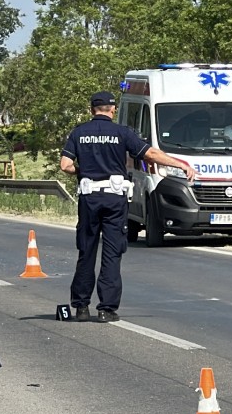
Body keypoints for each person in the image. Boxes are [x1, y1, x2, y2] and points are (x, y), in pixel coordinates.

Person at [60, 91, 197, 323]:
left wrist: (84, 173)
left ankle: (81, 307)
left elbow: (65, 165)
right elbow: (151, 154)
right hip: (114, 200)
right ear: (112, 109)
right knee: (112, 253)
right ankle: (106, 309)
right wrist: (181, 165)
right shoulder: (122, 133)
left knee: (87, 251)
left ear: (92, 109)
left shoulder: (79, 133)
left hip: (89, 199)